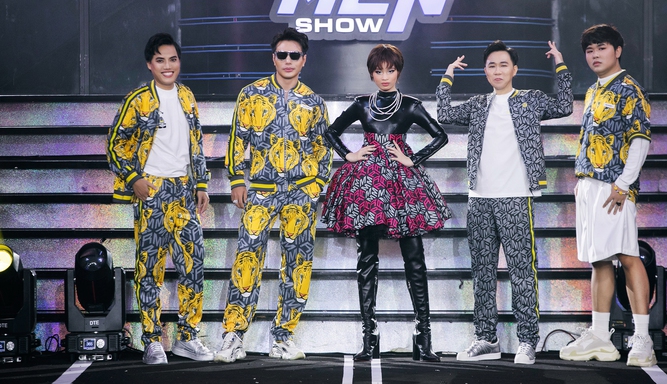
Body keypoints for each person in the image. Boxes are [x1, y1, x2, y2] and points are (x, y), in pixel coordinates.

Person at [436, 40, 573, 365]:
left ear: (514, 69)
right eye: (491, 65)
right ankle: (486, 339)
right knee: (482, 272)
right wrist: (447, 76)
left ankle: (527, 340)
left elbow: (565, 105)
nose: (497, 70)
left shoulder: (530, 99)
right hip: (479, 198)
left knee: (521, 271)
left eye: (503, 65)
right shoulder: (478, 104)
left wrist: (561, 65)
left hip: (515, 196)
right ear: (485, 71)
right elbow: (444, 114)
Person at [321, 44, 451, 363]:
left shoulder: (410, 105)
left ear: (398, 72)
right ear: (371, 73)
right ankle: (370, 338)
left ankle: (423, 338)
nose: (384, 76)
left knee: (414, 258)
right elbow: (331, 132)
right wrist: (349, 154)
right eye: (378, 71)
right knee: (367, 259)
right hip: (366, 186)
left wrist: (412, 159)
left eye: (390, 70)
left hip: (401, 184)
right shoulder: (361, 104)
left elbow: (440, 135)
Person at [214, 27, 333, 363]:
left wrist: (314, 186)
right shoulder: (251, 94)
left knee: (297, 265)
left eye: (294, 55)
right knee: (247, 260)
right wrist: (236, 180)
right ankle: (234, 336)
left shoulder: (314, 102)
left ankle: (283, 337)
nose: (288, 60)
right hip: (262, 191)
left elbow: (323, 148)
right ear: (273, 58)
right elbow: (238, 138)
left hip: (300, 193)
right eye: (282, 54)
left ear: (304, 60)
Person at [107, 33, 213, 364]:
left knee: (193, 265)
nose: (168, 66)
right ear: (149, 65)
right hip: (152, 191)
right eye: (160, 60)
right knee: (149, 268)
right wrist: (134, 178)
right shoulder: (138, 100)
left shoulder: (187, 96)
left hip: (184, 192)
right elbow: (114, 144)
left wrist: (201, 183)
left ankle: (188, 338)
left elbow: (196, 141)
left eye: (173, 59)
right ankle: (152, 340)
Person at [559, 24, 655, 367]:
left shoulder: (630, 89)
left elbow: (640, 140)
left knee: (627, 256)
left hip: (614, 186)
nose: (595, 55)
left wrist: (623, 184)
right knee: (599, 260)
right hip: (590, 184)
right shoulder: (593, 90)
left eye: (601, 48)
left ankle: (642, 339)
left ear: (618, 51)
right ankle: (601, 337)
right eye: (589, 50)